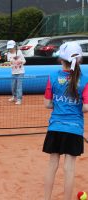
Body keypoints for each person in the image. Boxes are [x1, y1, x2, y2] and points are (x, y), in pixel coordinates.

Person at [43, 42, 88, 200]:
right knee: (69, 169)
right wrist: (75, 106)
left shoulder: (53, 76)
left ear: (61, 59)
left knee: (52, 166)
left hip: (55, 127)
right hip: (74, 128)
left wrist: (60, 104)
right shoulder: (85, 79)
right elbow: (86, 106)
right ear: (79, 60)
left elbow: (47, 104)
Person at [6, 40, 26, 105]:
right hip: (13, 72)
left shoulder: (19, 52)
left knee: (19, 86)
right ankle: (14, 97)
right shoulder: (8, 54)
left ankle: (19, 99)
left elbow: (24, 61)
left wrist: (20, 62)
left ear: (14, 46)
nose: (10, 49)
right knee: (13, 86)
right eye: (9, 48)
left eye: (11, 47)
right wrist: (9, 64)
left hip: (20, 72)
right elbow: (9, 62)